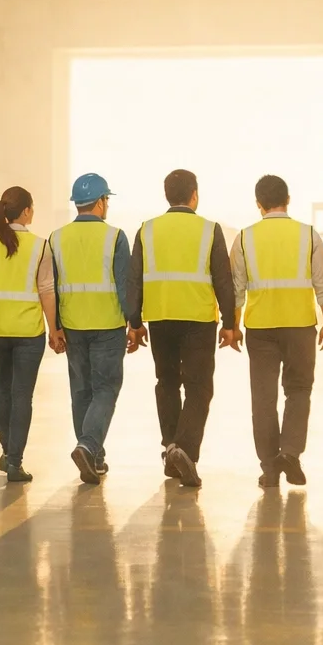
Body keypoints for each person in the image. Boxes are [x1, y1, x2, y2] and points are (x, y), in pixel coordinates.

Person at [125, 169, 238, 489]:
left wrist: (134, 323)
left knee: (167, 382)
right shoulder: (209, 229)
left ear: (167, 195)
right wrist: (230, 325)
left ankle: (170, 448)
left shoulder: (147, 230)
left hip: (160, 317)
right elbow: (223, 281)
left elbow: (135, 279)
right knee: (199, 387)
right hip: (199, 319)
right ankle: (184, 449)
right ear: (194, 195)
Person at [227, 174, 323, 488]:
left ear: (259, 204)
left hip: (260, 328)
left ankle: (269, 468)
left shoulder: (245, 238)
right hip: (301, 326)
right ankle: (290, 453)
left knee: (263, 398)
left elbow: (237, 289)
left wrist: (233, 327)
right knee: (299, 390)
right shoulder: (308, 235)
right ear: (288, 200)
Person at [51, 173, 141, 485]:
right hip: (108, 324)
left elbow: (52, 288)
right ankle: (89, 446)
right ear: (101, 201)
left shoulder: (56, 238)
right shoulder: (115, 237)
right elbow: (124, 285)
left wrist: (55, 327)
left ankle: (93, 455)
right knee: (105, 389)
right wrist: (134, 323)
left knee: (81, 391)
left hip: (73, 325)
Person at [0, 186, 61, 484]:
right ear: (25, 212)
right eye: (31, 208)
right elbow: (47, 291)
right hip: (28, 332)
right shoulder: (40, 246)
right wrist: (54, 329)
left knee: (2, 391)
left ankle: (8, 451)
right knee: (22, 395)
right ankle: (14, 462)